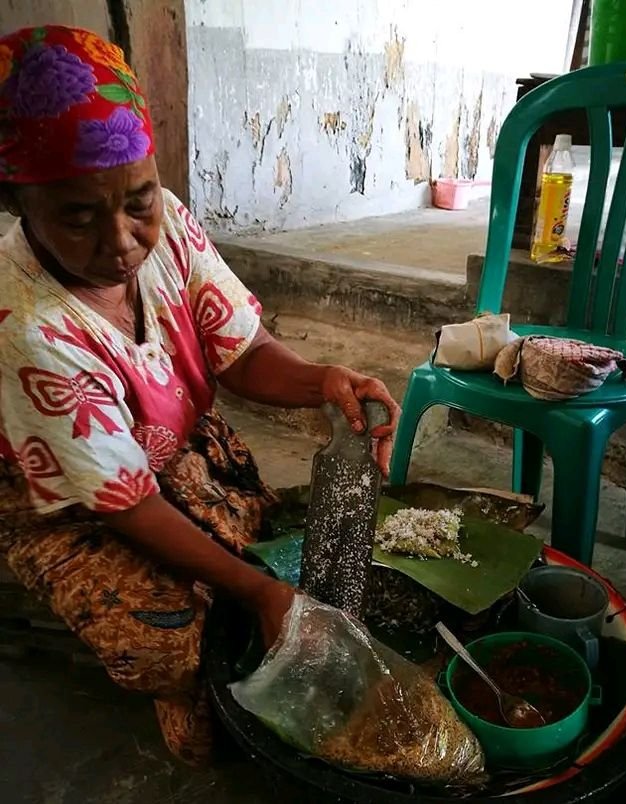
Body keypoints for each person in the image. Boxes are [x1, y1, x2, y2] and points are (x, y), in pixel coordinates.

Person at [0, 25, 399, 766]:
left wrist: (321, 381)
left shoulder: (171, 225)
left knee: (269, 547)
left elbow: (239, 349)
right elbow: (120, 501)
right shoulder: (26, 325)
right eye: (78, 217)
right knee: (168, 633)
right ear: (17, 202)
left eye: (137, 201)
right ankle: (180, 684)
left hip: (165, 443)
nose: (121, 242)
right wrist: (258, 595)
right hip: (59, 491)